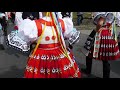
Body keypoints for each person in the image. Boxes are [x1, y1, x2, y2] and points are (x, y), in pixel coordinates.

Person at [7, 12, 81, 78]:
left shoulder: (34, 24)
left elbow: (25, 38)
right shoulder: (62, 23)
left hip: (40, 58)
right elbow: (68, 34)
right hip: (60, 55)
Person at [82, 12, 120, 78]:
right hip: (108, 33)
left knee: (89, 52)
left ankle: (88, 70)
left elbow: (100, 23)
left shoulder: (103, 12)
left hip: (101, 34)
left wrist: (96, 30)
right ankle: (106, 76)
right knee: (105, 58)